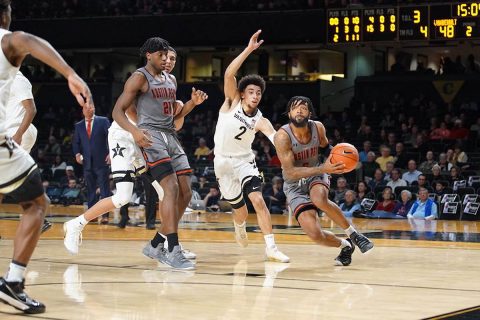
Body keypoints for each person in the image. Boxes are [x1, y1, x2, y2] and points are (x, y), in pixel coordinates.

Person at [64, 45, 203, 262]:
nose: (169, 61)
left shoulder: (170, 90)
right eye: (165, 57)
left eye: (173, 59)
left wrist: (188, 107)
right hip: (124, 136)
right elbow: (127, 110)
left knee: (169, 192)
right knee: (123, 196)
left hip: (146, 137)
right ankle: (76, 224)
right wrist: (144, 131)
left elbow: (174, 126)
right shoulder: (142, 79)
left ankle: (166, 243)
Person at [0, 1, 92, 313]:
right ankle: (13, 282)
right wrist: (70, 73)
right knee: (38, 204)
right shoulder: (7, 40)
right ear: (6, 15)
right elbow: (27, 40)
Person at [113, 38, 207, 270]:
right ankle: (173, 249)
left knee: (186, 191)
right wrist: (135, 132)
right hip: (151, 136)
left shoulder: (171, 79)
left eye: (168, 55)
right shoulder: (139, 77)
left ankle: (156, 244)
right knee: (171, 188)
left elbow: (174, 116)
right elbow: (117, 111)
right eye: (161, 55)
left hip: (171, 135)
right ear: (149, 55)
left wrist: (192, 104)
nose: (165, 59)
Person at [213, 30, 289, 262]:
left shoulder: (260, 120)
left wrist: (287, 147)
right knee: (240, 210)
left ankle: (271, 247)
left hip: (244, 161)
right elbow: (229, 73)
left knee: (258, 200)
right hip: (222, 162)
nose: (255, 95)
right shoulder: (231, 102)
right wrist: (248, 50)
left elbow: (275, 138)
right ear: (242, 95)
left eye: (258, 92)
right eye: (251, 92)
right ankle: (239, 227)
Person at [275, 96, 374, 267]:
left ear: (310, 113)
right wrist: (324, 169)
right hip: (294, 184)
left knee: (319, 199)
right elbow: (290, 172)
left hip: (316, 173)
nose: (299, 110)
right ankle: (346, 246)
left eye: (303, 108)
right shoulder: (282, 137)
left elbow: (326, 149)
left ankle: (354, 234)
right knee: (315, 235)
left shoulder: (318, 128)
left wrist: (339, 161)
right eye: (295, 107)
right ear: (289, 113)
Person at [5, 70, 52, 232]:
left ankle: (39, 211)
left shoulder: (18, 80)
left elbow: (31, 109)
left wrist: (19, 134)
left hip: (17, 133)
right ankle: (40, 212)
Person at [73, 104, 111, 224]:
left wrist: (111, 153)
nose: (90, 109)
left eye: (92, 107)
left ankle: (105, 216)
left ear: (94, 109)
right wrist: (77, 154)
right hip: (87, 162)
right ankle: (92, 215)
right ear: (83, 111)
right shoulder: (78, 126)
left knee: (104, 189)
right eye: (87, 107)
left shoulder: (103, 121)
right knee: (91, 189)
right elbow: (76, 142)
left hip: (102, 161)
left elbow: (111, 137)